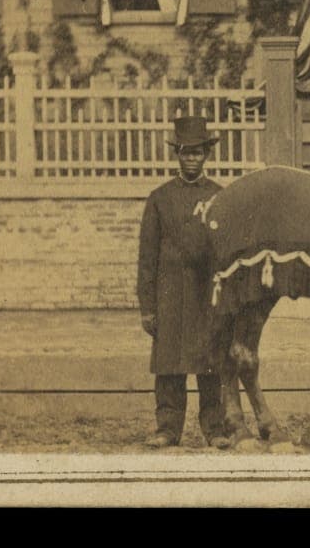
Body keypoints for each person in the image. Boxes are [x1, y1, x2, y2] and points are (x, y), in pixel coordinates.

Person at [137, 116, 232, 450]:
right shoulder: (160, 198)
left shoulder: (220, 196)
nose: (192, 158)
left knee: (211, 362)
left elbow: (227, 254)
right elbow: (147, 258)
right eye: (186, 152)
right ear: (177, 154)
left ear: (207, 155)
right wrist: (148, 308)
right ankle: (167, 428)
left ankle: (215, 429)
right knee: (169, 364)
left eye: (198, 152)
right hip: (170, 294)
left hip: (206, 294)